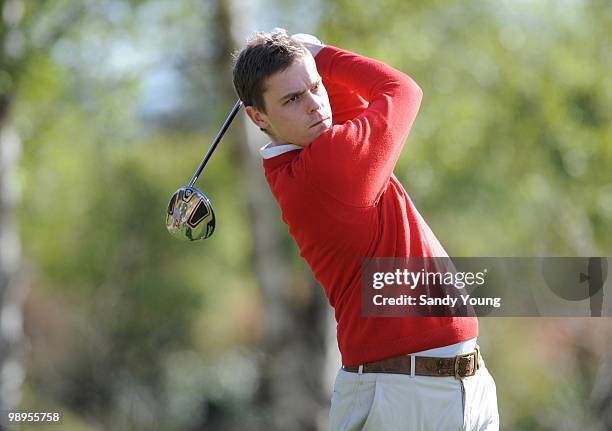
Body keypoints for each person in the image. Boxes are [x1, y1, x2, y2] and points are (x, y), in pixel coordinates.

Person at [232, 30, 499, 430]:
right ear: (257, 117)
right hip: (407, 394)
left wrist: (311, 63)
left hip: (443, 385)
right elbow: (401, 90)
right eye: (292, 99)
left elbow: (342, 106)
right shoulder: (328, 165)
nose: (314, 105)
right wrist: (323, 55)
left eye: (315, 87)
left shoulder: (311, 151)